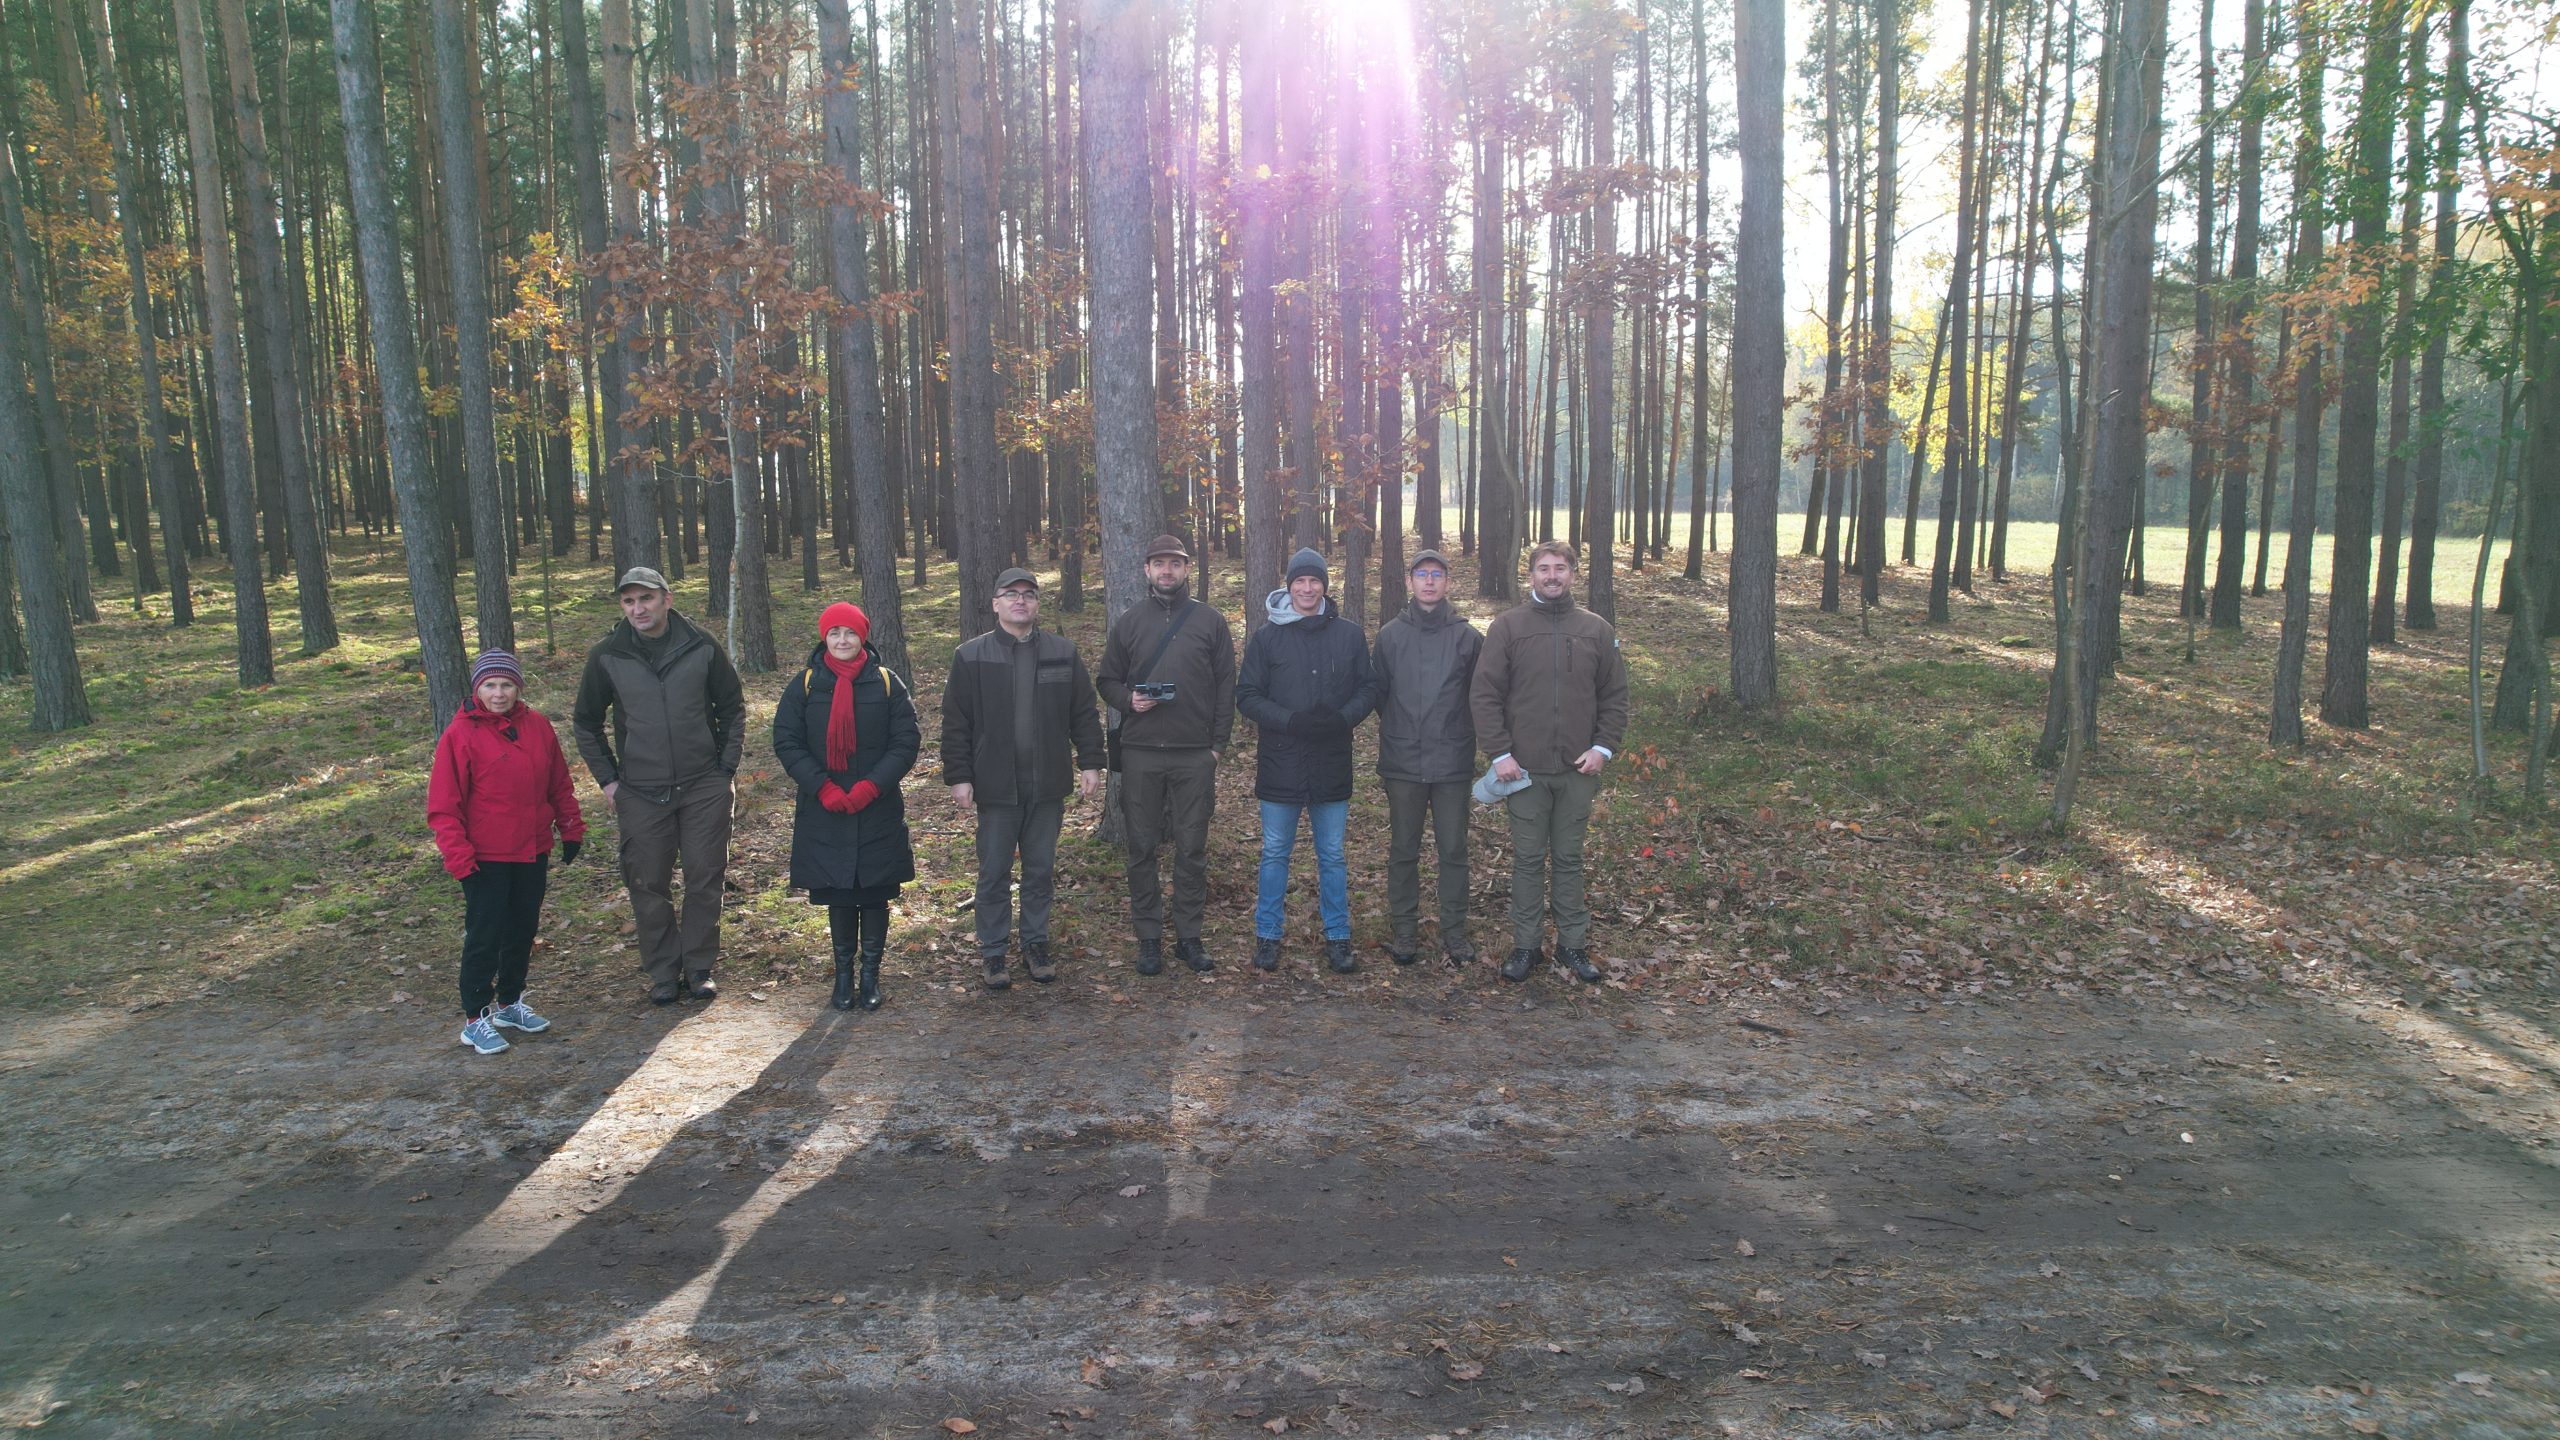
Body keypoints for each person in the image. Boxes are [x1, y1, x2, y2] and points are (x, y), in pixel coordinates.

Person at [572, 567, 746, 1005]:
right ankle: (664, 972)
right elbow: (586, 722)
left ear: (666, 599)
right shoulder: (607, 654)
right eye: (629, 601)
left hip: (702, 785)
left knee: (705, 876)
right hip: (640, 791)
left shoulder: (701, 645)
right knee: (647, 882)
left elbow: (731, 707)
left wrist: (724, 770)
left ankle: (699, 968)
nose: (638, 609)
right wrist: (609, 780)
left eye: (645, 598)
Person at [1469, 541, 1629, 984]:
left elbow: (1615, 697)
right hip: (1523, 770)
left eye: (1560, 568)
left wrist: (1603, 748)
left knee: (1569, 858)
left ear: (1573, 574)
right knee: (1527, 859)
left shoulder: (1596, 629)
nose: (1552, 575)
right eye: (1544, 568)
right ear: (1531, 575)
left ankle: (1572, 946)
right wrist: (1500, 753)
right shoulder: (1508, 627)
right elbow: (1485, 694)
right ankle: (1526, 946)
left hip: (1578, 770)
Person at [941, 567, 1106, 990]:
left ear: (1036, 604)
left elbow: (1083, 713)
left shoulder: (1062, 652)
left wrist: (1091, 762)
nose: (1020, 600)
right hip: (996, 785)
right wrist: (959, 776)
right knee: (994, 871)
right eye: (1011, 594)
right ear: (995, 603)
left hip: (1047, 783)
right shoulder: (971, 656)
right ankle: (994, 951)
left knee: (1040, 870)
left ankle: (1035, 944)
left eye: (1028, 594)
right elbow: (956, 723)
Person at [427, 650, 586, 1054]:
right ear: (477, 689)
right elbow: (444, 807)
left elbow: (558, 782)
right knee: (485, 936)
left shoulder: (538, 726)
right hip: (485, 857)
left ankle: (510, 1003)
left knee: (521, 930)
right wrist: (460, 860)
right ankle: (475, 1018)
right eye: (490, 685)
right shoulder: (460, 734)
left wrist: (570, 827)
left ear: (518, 687)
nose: (499, 694)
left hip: (531, 850)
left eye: (507, 685)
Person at [1097, 533, 1236, 976]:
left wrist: (1216, 747)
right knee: (1141, 848)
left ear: (1187, 569)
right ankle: (1149, 939)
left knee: (1191, 848)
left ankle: (1189, 937)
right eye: (1159, 563)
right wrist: (1129, 701)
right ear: (1147, 570)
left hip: (1194, 754)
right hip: (1140, 752)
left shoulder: (1210, 622)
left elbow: (1227, 686)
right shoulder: (1130, 622)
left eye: (1175, 563)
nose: (1167, 571)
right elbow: (1106, 680)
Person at [1236, 547, 1378, 974]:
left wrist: (1342, 719)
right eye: (1300, 580)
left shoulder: (1349, 635)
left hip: (1331, 761)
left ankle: (1337, 936)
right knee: (1275, 852)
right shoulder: (1267, 638)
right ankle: (1267, 935)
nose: (1307, 588)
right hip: (1281, 762)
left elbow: (1368, 688)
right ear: (1289, 586)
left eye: (1315, 580)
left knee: (1331, 854)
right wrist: (1290, 721)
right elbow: (1247, 695)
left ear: (1325, 587)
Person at [772, 602, 919, 1011]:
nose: (842, 640)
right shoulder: (805, 685)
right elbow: (787, 740)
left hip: (877, 807)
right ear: (824, 637)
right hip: (825, 808)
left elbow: (906, 740)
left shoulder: (886, 683)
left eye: (850, 632)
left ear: (863, 637)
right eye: (834, 632)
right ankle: (842, 977)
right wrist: (823, 788)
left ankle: (870, 976)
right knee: (838, 891)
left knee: (873, 893)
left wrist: (872, 787)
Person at [1371, 548, 1482, 967]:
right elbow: (1379, 694)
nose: (1430, 581)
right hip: (1403, 761)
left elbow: (1480, 697)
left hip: (1452, 761)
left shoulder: (1468, 638)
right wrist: (1403, 730)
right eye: (1422, 574)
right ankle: (1404, 931)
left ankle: (1454, 932)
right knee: (1404, 849)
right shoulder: (1390, 636)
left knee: (1453, 849)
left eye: (1437, 574)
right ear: (1409, 582)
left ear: (1447, 582)